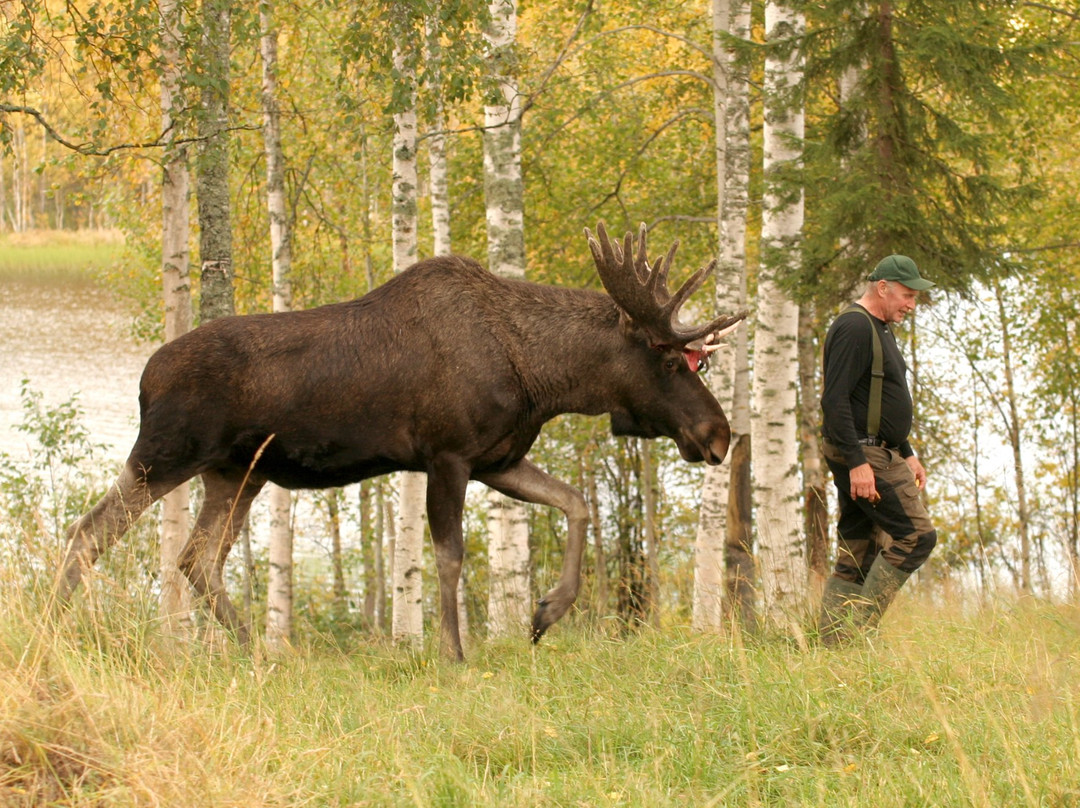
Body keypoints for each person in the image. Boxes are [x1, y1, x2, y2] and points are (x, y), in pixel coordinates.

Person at [817, 254, 938, 644]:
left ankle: (832, 648)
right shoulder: (854, 327)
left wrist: (906, 449)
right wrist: (858, 464)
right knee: (916, 536)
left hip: (875, 450)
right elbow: (834, 401)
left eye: (915, 298)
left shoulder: (879, 327)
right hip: (863, 454)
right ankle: (858, 633)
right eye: (906, 295)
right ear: (882, 288)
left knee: (858, 548)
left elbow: (875, 399)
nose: (911, 304)